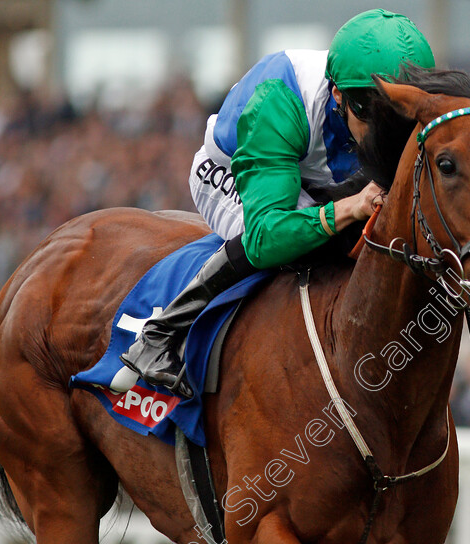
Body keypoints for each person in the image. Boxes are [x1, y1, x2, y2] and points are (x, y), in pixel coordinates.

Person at [120, 9, 435, 397]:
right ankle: (161, 334)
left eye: (399, 115)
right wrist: (351, 207)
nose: (386, 131)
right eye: (375, 114)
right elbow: (266, 235)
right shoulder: (278, 101)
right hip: (231, 174)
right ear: (338, 94)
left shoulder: (363, 98)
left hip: (312, 176)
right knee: (289, 249)